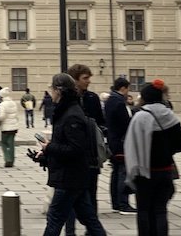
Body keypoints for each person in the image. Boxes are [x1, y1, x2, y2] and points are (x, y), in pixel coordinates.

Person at [35, 73, 106, 236]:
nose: (50, 92)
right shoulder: (67, 111)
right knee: (89, 219)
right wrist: (45, 155)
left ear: (58, 91)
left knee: (54, 218)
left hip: (69, 178)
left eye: (51, 89)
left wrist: (50, 147)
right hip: (73, 176)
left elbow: (76, 149)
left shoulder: (71, 114)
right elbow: (66, 146)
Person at [124, 79, 181, 235]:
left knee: (144, 210)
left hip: (144, 172)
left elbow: (130, 145)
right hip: (165, 170)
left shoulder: (140, 117)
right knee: (160, 210)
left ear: (144, 98)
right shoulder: (170, 116)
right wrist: (167, 150)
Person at [65, 63, 104, 236]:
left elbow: (102, 123)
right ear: (75, 80)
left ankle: (91, 231)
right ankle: (70, 232)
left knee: (91, 194)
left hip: (90, 155)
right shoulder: (65, 99)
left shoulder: (92, 98)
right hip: (73, 156)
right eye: (85, 78)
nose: (88, 81)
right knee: (70, 198)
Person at [104, 77, 136, 214]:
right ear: (123, 88)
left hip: (113, 140)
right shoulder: (118, 102)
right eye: (127, 88)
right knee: (122, 171)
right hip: (121, 142)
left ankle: (116, 203)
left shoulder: (110, 100)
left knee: (116, 172)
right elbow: (125, 123)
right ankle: (123, 203)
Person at [0, 87, 20, 167]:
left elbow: (2, 116)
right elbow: (16, 115)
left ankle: (7, 159)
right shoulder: (13, 103)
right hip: (13, 126)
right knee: (11, 144)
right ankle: (12, 160)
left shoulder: (2, 104)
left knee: (4, 143)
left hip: (6, 127)